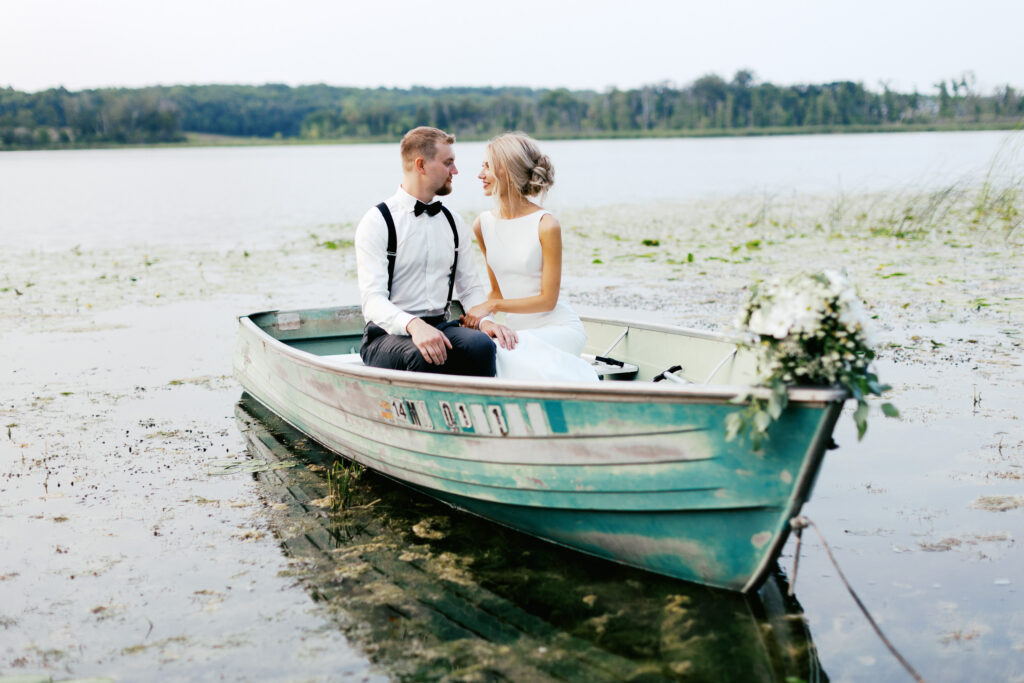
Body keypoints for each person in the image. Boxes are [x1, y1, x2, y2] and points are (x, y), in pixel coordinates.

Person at [355, 126, 517, 376]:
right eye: (448, 163)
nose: (456, 171)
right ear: (421, 165)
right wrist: (414, 325)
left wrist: (486, 322)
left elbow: (470, 288)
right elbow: (373, 301)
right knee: (423, 355)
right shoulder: (378, 221)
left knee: (482, 345)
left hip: (442, 326)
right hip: (386, 334)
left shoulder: (453, 222)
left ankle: (478, 412)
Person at [460, 133, 599, 382]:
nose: (480, 175)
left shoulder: (546, 224)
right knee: (490, 348)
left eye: (486, 166)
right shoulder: (483, 225)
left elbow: (547, 301)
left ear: (505, 170)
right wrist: (482, 320)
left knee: (503, 352)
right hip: (516, 334)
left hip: (558, 329)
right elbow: (496, 291)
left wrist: (491, 306)